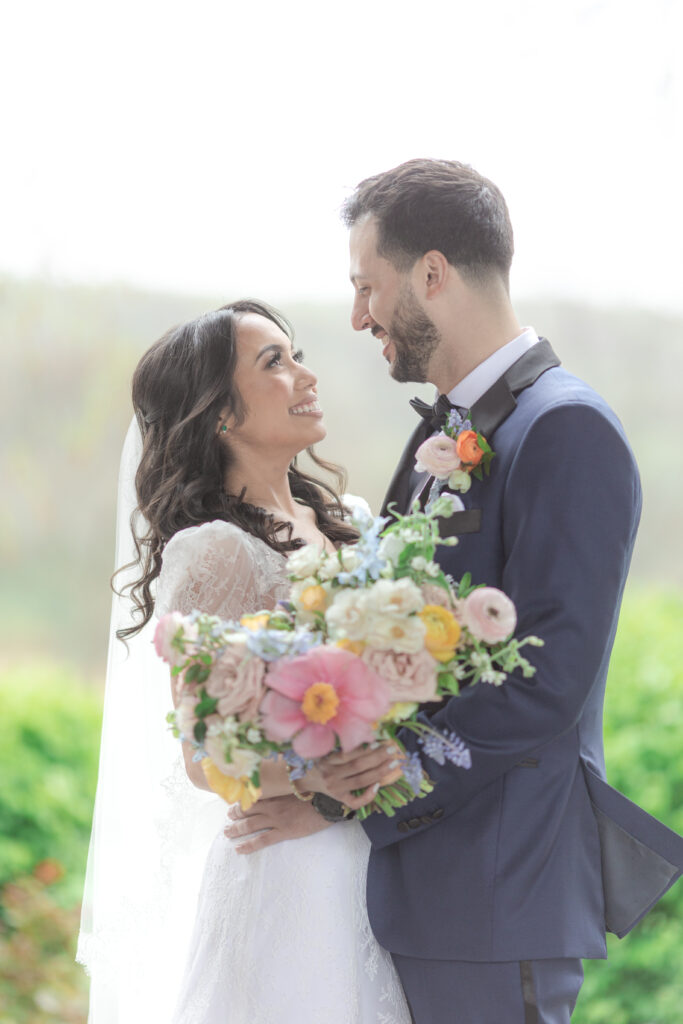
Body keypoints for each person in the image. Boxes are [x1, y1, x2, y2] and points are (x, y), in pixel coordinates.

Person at [226, 161, 683, 1023]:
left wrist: (359, 788)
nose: (358, 315)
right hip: (421, 893)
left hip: (496, 892)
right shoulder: (448, 428)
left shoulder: (566, 428)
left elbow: (546, 680)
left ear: (431, 275)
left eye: (367, 286)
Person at [78, 299, 412, 1023]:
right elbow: (203, 757)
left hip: (376, 854)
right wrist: (319, 780)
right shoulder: (213, 552)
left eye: (295, 354)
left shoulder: (350, 524)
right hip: (292, 870)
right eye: (275, 363)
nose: (305, 375)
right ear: (220, 414)